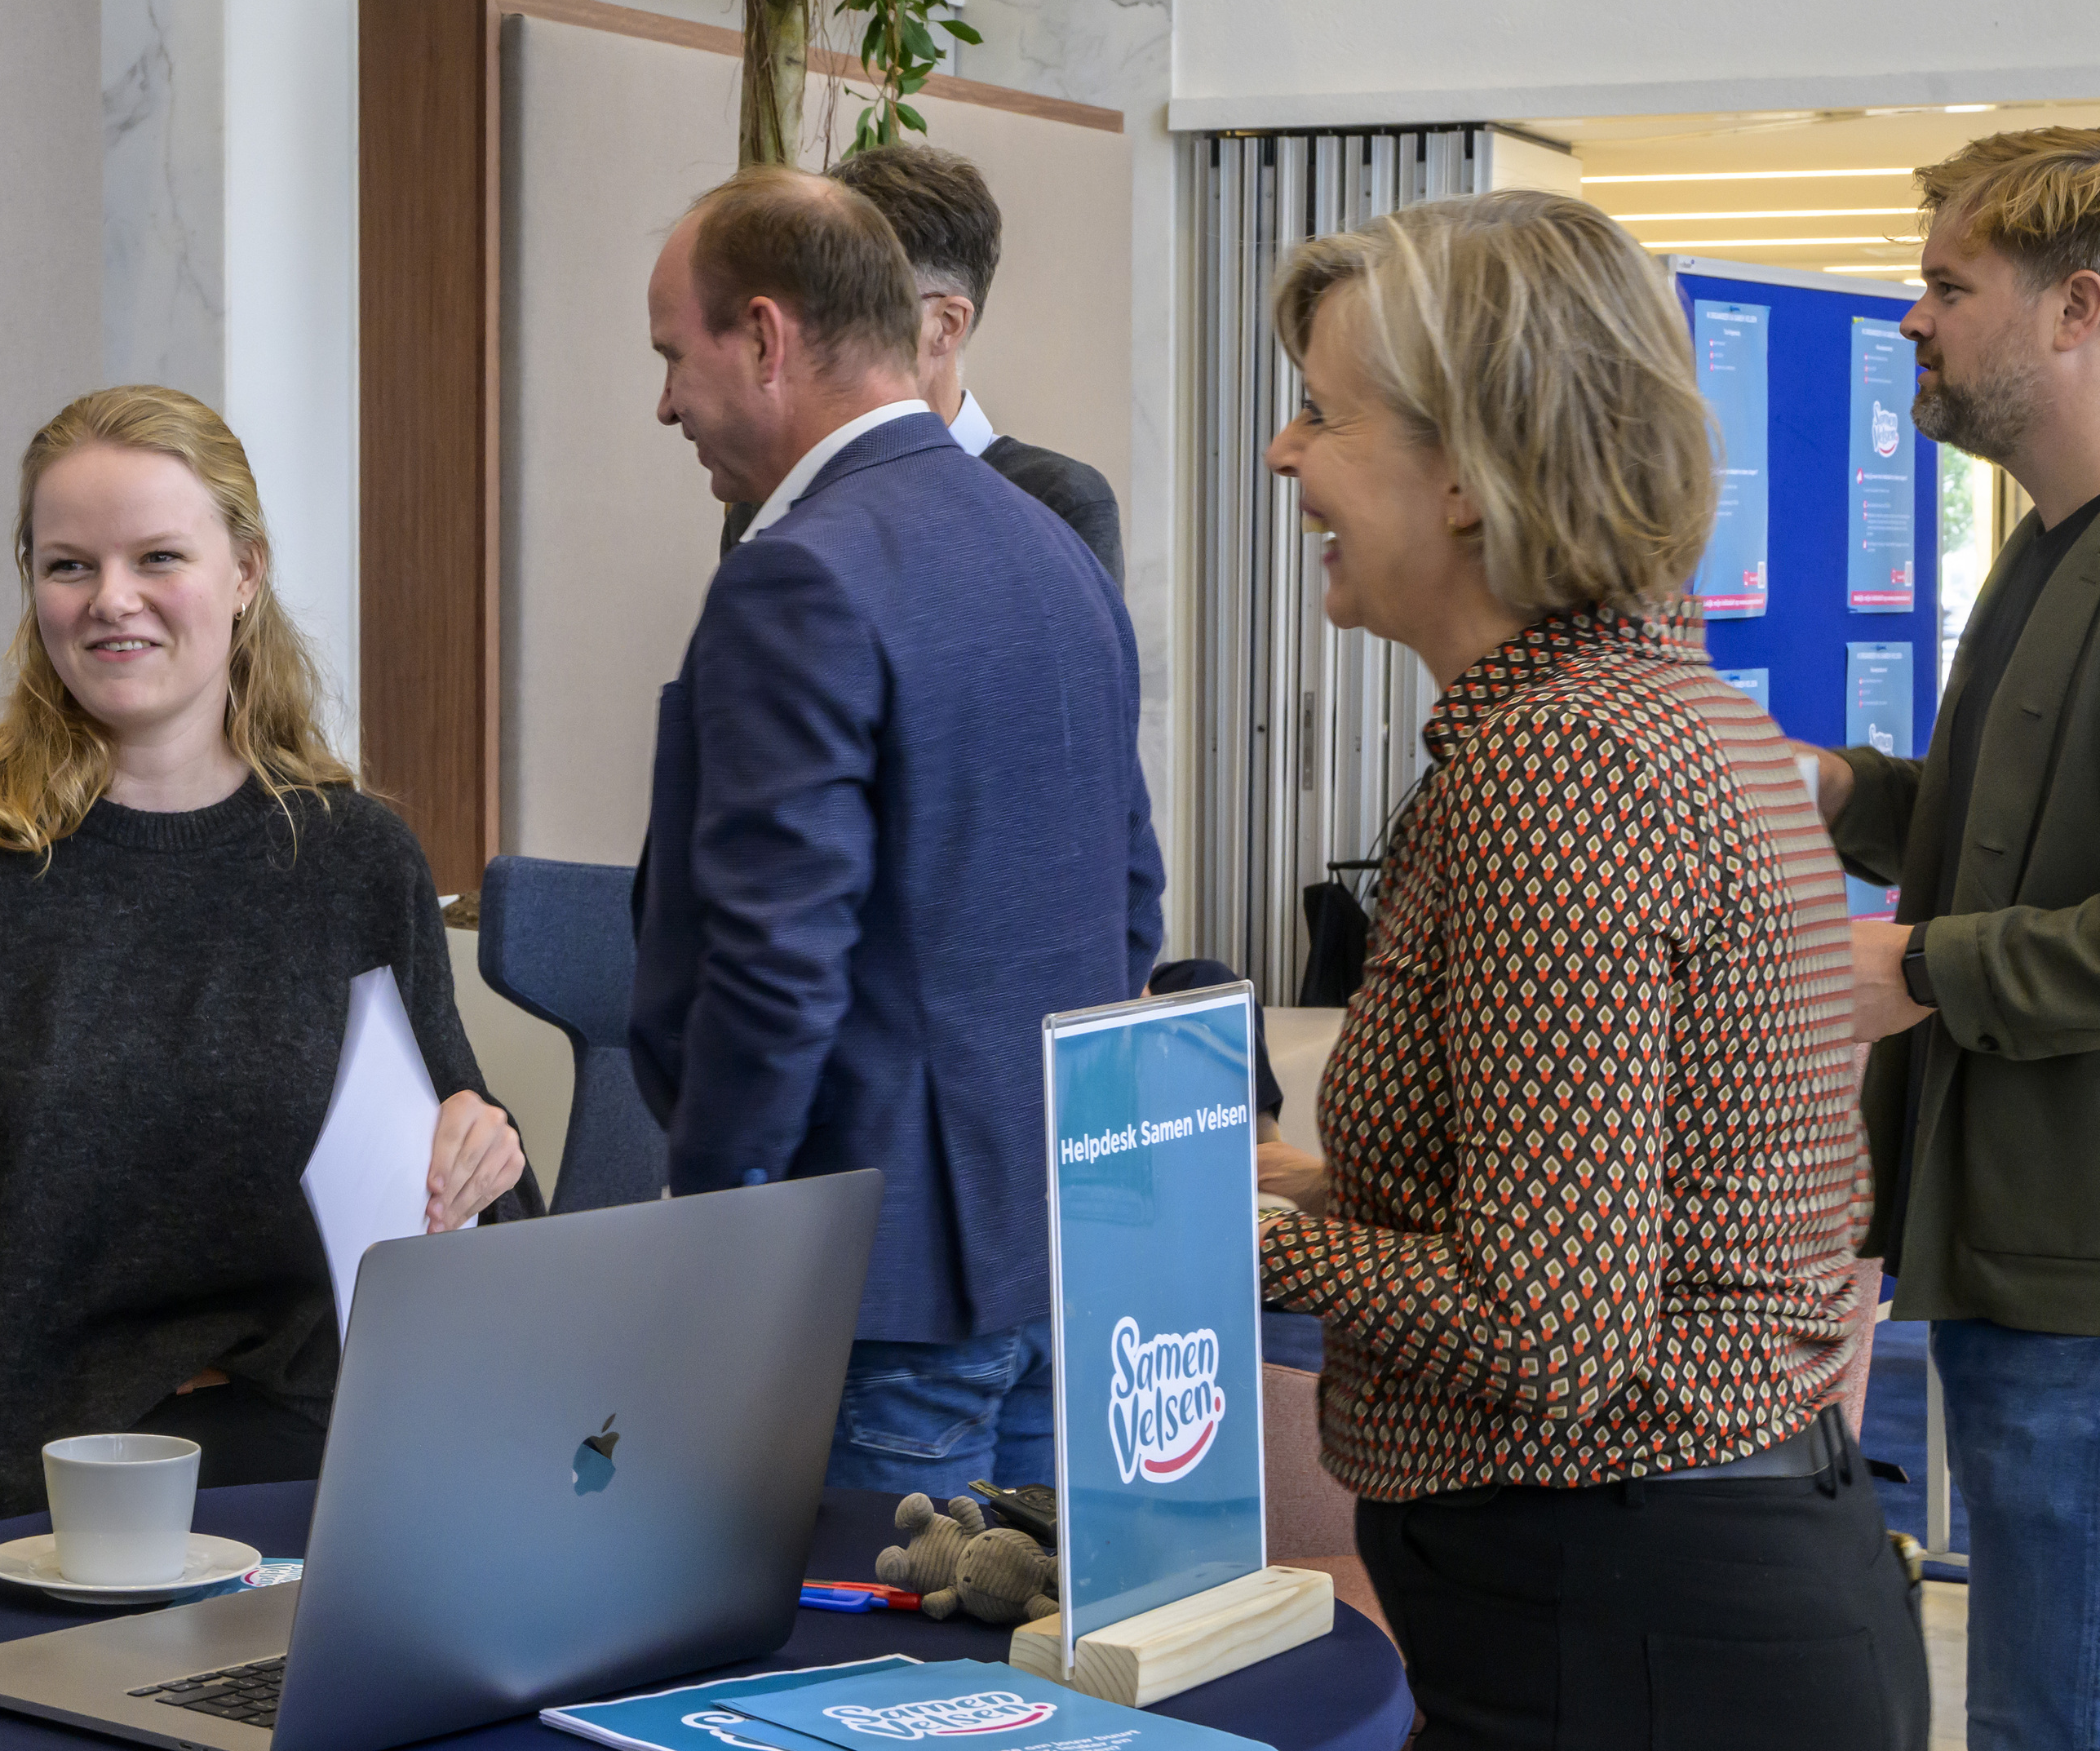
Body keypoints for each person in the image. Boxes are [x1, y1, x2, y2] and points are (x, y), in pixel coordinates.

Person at [1252, 191, 1925, 1751]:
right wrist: (1321, 1193)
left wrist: (1232, 1246)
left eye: (1320, 416)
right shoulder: (1666, 714)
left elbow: (1552, 1329)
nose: (1287, 461)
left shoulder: (1567, 768)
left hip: (1631, 1623)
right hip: (1676, 1600)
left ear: (1473, 476)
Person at [0, 383, 540, 1556]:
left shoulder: (351, 857)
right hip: (6, 1511)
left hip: (312, 1501)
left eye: (158, 557)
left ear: (246, 572)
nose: (111, 600)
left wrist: (485, 1154)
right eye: (69, 565)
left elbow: (457, 1203)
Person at [631, 166, 1160, 1498]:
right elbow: (1131, 905)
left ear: (763, 335)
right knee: (1022, 1682)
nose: (665, 406)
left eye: (673, 358)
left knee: (866, 1690)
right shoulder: (1053, 551)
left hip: (875, 1292)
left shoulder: (797, 573)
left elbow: (774, 963)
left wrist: (715, 1231)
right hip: (1053, 1263)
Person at [1805, 126, 2100, 1749]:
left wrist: (1920, 969)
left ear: (2078, 310)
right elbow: (2002, 829)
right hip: (2006, 1258)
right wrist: (1845, 791)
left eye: (1945, 287)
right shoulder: (2041, 546)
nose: (1913, 322)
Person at [714, 141, 1123, 586]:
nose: (820, 333)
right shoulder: (774, 499)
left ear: (946, 325)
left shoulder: (1056, 502)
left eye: (853, 303)